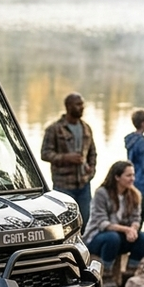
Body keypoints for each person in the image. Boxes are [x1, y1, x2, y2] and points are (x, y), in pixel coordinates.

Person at [82, 161, 144, 287]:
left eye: (133, 175)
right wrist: (126, 229)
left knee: (143, 238)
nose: (132, 179)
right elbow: (102, 223)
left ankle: (128, 276)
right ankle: (106, 275)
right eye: (128, 175)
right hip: (97, 238)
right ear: (117, 177)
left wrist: (133, 230)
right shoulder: (102, 193)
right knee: (112, 237)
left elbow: (136, 218)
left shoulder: (134, 195)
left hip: (120, 237)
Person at [42, 93, 98, 227]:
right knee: (64, 224)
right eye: (78, 105)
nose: (82, 107)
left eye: (82, 104)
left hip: (84, 185)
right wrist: (66, 158)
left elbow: (93, 153)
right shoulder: (55, 129)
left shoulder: (86, 128)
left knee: (84, 222)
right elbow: (45, 154)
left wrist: (91, 171)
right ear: (68, 106)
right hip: (63, 186)